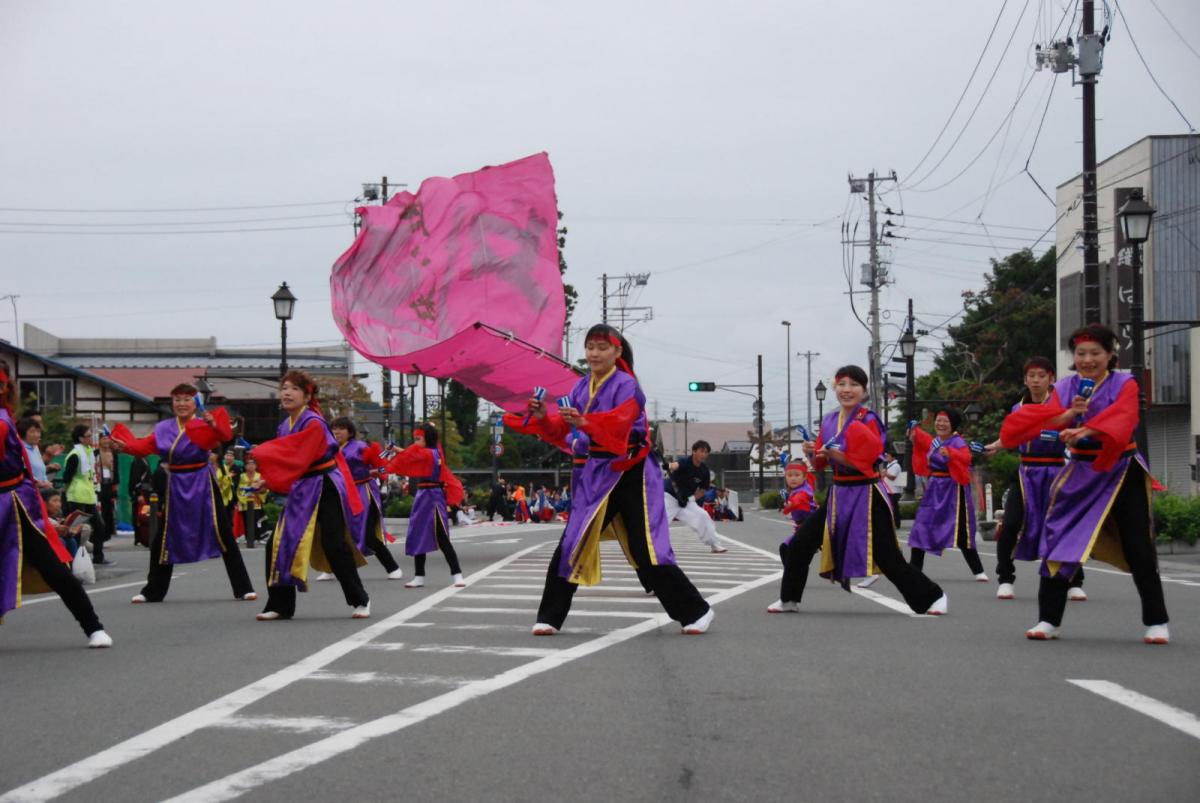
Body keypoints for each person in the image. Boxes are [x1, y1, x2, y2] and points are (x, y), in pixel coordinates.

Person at [507, 324, 713, 635]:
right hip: (596, 474)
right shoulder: (580, 388)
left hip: (633, 473)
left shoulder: (627, 386)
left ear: (617, 352)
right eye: (590, 347)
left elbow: (620, 423)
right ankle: (549, 617)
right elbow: (562, 431)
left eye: (602, 347)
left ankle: (697, 611)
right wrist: (541, 417)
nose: (594, 353)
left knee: (647, 550)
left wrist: (585, 421)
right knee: (571, 542)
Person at [999, 324, 1169, 643]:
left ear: (1110, 355)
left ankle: (1156, 621)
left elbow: (1124, 417)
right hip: (1079, 471)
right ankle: (1048, 619)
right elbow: (1040, 419)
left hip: (1121, 470)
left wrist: (1088, 429)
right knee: (1058, 540)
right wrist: (1068, 417)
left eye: (1095, 353)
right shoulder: (1065, 388)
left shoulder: (1125, 383)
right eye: (1081, 354)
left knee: (1138, 546)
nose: (1087, 359)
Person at [768, 365, 946, 615]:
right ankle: (789, 599)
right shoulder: (829, 420)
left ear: (863, 391)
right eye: (841, 384)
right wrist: (812, 453)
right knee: (800, 543)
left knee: (887, 556)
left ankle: (932, 597)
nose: (847, 390)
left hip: (867, 493)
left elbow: (870, 460)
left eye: (853, 385)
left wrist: (837, 456)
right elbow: (820, 464)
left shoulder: (869, 419)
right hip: (838, 495)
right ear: (835, 388)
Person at [110, 384, 256, 604]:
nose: (181, 404)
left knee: (223, 532)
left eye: (186, 399)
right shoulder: (163, 428)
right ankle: (153, 591)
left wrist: (214, 424)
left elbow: (224, 436)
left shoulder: (203, 424)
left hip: (202, 482)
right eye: (177, 399)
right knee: (162, 538)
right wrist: (124, 446)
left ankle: (243, 588)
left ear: (194, 403)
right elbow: (143, 448)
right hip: (176, 484)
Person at [0, 360, 111, 647]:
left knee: (54, 569)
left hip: (18, 502)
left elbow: (22, 473)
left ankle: (93, 626)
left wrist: (50, 521)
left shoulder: (4, 421)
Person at [250, 371, 371, 620]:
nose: (286, 393)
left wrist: (262, 454)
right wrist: (267, 480)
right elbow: (287, 461)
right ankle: (280, 604)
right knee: (277, 543)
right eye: (284, 388)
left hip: (324, 485)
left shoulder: (313, 422)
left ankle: (360, 599)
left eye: (294, 389)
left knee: (334, 545)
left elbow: (294, 456)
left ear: (307, 396)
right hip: (302, 487)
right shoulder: (285, 425)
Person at [986, 357, 1085, 601]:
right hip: (1026, 473)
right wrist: (997, 446)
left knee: (1063, 527)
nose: (1036, 380)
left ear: (1051, 378)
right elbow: (1014, 436)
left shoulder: (1062, 405)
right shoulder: (1018, 408)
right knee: (1010, 525)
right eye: (1031, 376)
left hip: (1056, 471)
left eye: (1041, 375)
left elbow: (1073, 433)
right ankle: (1005, 578)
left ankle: (1073, 580)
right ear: (1025, 380)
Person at [906, 408, 988, 582]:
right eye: (938, 420)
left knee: (961, 530)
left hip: (953, 489)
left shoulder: (958, 442)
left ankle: (978, 570)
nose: (940, 424)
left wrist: (951, 454)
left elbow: (966, 458)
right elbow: (923, 443)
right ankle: (914, 570)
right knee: (921, 526)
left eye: (945, 421)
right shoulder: (935, 441)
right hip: (934, 487)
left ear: (953, 425)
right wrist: (914, 434)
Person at [384, 423, 466, 588]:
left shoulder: (432, 453)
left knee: (442, 537)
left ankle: (457, 574)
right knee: (418, 535)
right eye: (414, 438)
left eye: (418, 438)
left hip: (434, 496)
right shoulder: (427, 452)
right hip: (422, 496)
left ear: (427, 438)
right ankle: (419, 576)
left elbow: (412, 455)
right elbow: (411, 454)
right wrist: (398, 450)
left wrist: (389, 459)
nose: (415, 441)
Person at [330, 416, 404, 580]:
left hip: (363, 491)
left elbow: (382, 468)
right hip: (341, 493)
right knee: (335, 532)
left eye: (341, 428)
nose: (337, 431)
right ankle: (330, 569)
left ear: (349, 431)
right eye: (334, 428)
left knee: (368, 534)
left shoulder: (360, 447)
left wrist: (374, 472)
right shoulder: (331, 449)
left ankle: (392, 566)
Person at [664, 440, 728, 553]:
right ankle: (650, 547)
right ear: (694, 451)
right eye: (701, 451)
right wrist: (669, 465)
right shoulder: (685, 461)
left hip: (686, 501)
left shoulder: (704, 471)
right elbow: (675, 465)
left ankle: (715, 544)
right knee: (659, 522)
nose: (704, 454)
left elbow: (703, 490)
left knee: (703, 516)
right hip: (670, 498)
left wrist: (690, 499)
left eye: (706, 452)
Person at [61, 424, 112, 565]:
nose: (91, 438)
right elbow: (67, 477)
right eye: (88, 436)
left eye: (91, 435)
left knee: (100, 526)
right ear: (80, 438)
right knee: (77, 530)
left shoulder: (89, 451)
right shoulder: (75, 455)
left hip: (89, 495)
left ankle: (98, 557)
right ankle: (75, 560)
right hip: (76, 496)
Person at [237, 456, 269, 548]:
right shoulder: (242, 476)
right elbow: (239, 488)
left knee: (257, 519)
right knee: (246, 520)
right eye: (249, 464)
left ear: (256, 466)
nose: (251, 466)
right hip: (245, 501)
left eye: (253, 464)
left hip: (256, 500)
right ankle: (249, 538)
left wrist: (260, 491)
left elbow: (265, 487)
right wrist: (242, 498)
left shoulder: (259, 475)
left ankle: (258, 537)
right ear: (246, 466)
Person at [18, 417, 53, 489]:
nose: (37, 435)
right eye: (32, 431)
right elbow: (22, 473)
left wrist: (46, 482)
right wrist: (37, 483)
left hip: (40, 490)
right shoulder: (19, 449)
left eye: (38, 431)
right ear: (23, 433)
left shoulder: (35, 448)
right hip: (27, 491)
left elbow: (41, 471)